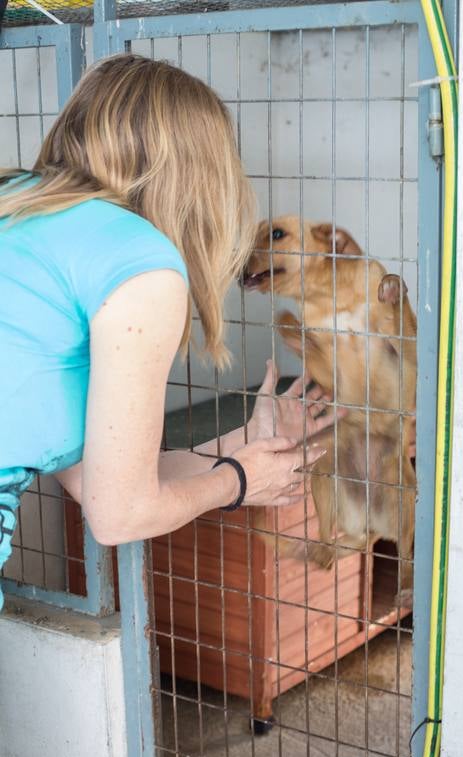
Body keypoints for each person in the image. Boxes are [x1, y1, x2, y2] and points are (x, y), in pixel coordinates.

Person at [0, 53, 340, 607]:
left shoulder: (16, 206)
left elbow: (100, 481)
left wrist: (244, 448)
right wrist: (238, 483)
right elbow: (119, 516)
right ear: (200, 172)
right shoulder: (138, 259)